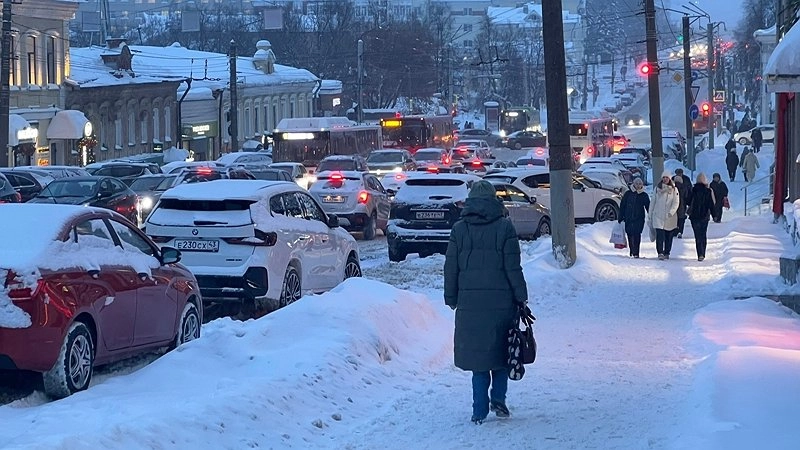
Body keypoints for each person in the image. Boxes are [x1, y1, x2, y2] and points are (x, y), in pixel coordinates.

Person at [444, 180, 528, 425]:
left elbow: (451, 268)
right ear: (494, 200)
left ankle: (479, 410)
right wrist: (521, 296)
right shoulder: (505, 227)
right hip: (502, 302)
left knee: (478, 360)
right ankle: (498, 399)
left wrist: (451, 297)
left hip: (469, 304)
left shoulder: (459, 229)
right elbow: (513, 267)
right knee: (501, 353)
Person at [651, 170, 680, 260]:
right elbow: (653, 201)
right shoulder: (657, 189)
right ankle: (660, 252)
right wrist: (650, 213)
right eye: (663, 177)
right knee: (659, 235)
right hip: (658, 215)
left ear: (669, 179)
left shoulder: (674, 190)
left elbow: (676, 202)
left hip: (669, 217)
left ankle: (667, 252)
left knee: (668, 236)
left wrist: (671, 212)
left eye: (667, 177)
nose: (665, 179)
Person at [618, 177, 650, 258]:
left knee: (637, 234)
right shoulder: (628, 194)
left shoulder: (644, 195)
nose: (638, 185)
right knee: (629, 233)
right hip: (628, 217)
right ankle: (631, 251)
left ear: (642, 185)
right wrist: (620, 217)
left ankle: (636, 252)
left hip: (639, 218)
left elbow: (648, 207)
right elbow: (623, 206)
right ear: (633, 184)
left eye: (640, 184)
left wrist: (651, 216)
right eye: (636, 184)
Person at [687, 172, 715, 261]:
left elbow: (688, 201)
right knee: (703, 234)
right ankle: (703, 253)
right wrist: (714, 215)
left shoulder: (693, 190)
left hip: (694, 216)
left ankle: (699, 253)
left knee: (697, 235)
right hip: (704, 216)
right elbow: (711, 204)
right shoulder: (708, 191)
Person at [672, 173, 689, 238]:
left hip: (673, 206)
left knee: (674, 219)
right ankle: (680, 231)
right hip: (682, 206)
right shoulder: (684, 187)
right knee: (681, 219)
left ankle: (675, 231)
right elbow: (686, 196)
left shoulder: (672, 188)